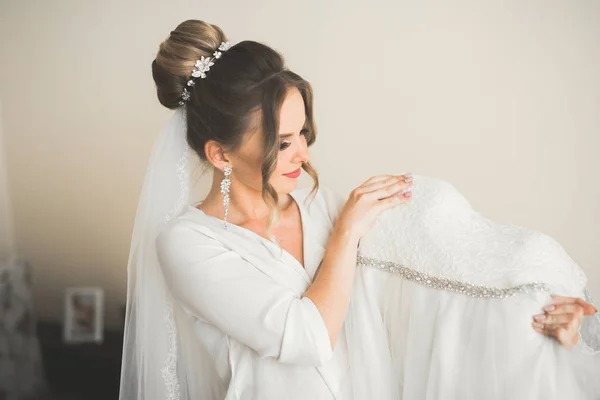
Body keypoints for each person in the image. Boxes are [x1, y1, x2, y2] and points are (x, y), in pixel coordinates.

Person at [118, 19, 599, 400]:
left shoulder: (317, 205)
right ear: (220, 155)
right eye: (282, 143)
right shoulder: (187, 244)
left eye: (303, 133)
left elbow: (436, 287)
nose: (303, 153)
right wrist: (345, 235)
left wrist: (536, 306)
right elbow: (306, 338)